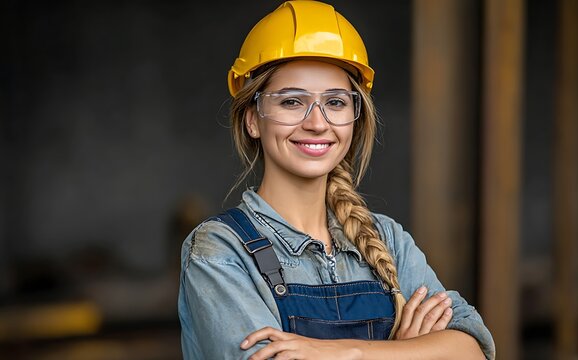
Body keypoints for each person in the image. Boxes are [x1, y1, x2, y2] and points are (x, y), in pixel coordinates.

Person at [178, 1, 495, 359]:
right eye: (292, 102)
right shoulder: (219, 251)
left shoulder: (387, 239)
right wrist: (405, 352)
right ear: (253, 119)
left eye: (336, 102)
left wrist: (344, 352)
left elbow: (472, 347)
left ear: (355, 117)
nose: (317, 122)